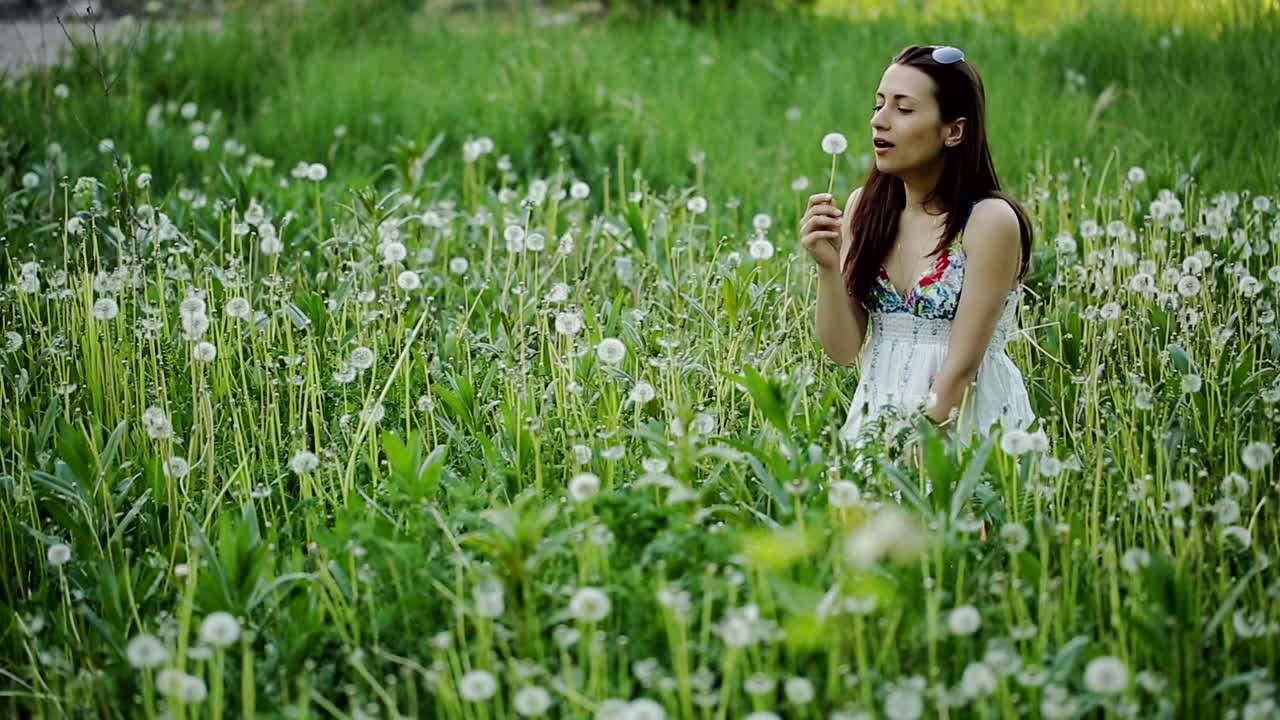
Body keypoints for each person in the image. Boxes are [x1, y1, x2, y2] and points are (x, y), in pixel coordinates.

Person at [800, 44, 1037, 454]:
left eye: (903, 109)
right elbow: (842, 350)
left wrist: (910, 456)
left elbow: (962, 370)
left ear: (954, 131)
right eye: (878, 105)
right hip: (875, 428)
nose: (879, 121)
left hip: (965, 432)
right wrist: (827, 268)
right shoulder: (865, 209)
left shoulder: (988, 222)